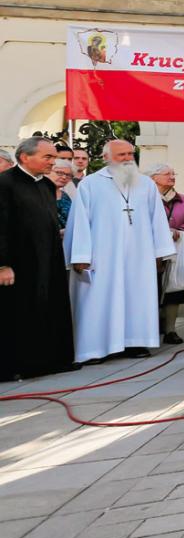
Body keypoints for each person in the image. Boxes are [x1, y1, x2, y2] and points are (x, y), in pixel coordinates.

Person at [66, 139, 177, 363]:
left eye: (130, 154)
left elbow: (157, 219)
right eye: (121, 155)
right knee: (99, 300)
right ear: (106, 157)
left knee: (137, 297)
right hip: (102, 256)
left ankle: (134, 342)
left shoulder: (146, 184)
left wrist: (161, 252)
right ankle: (96, 348)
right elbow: (80, 222)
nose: (127, 158)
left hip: (139, 255)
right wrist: (80, 256)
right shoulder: (90, 184)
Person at [0, 137, 75, 381]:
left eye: (54, 157)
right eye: (48, 157)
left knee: (48, 308)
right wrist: (3, 264)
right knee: (17, 313)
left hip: (48, 260)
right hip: (18, 264)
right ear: (25, 157)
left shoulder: (46, 185)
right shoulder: (4, 184)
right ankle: (15, 366)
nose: (53, 162)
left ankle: (47, 361)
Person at [149, 165, 184, 345]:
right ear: (153, 178)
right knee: (151, 289)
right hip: (151, 252)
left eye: (173, 173)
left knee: (174, 289)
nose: (172, 176)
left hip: (175, 250)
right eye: (167, 174)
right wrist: (165, 231)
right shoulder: (147, 199)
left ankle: (170, 330)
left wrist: (180, 230)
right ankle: (151, 329)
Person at [49, 159, 74, 234]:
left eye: (68, 175)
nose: (64, 177)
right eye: (59, 173)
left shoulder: (65, 195)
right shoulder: (38, 193)